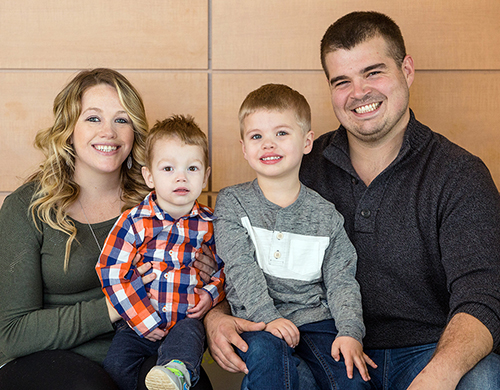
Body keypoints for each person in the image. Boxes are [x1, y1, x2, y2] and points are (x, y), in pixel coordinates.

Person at [202, 11, 500, 390]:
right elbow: (241, 256)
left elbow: (484, 295)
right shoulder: (298, 167)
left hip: (425, 352)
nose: (359, 93)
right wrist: (217, 316)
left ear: (406, 69)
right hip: (318, 344)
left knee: (485, 377)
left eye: (373, 72)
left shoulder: (458, 175)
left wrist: (438, 376)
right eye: (342, 80)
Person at [0, 68, 213, 390]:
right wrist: (116, 305)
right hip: (50, 357)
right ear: (68, 128)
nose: (109, 132)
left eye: (122, 119)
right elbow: (11, 334)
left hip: (144, 345)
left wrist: (209, 283)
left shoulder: (163, 200)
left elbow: (211, 275)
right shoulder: (29, 207)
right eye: (93, 118)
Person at [213, 83, 376, 390]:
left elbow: (342, 280)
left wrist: (350, 332)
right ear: (244, 148)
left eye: (282, 133)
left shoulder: (326, 215)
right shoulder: (234, 203)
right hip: (257, 322)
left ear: (306, 141)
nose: (268, 144)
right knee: (268, 358)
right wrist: (268, 317)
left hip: (316, 320)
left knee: (353, 378)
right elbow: (239, 268)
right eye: (256, 136)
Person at [96, 115, 225, 390]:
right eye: (168, 169)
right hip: (138, 321)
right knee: (116, 367)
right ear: (149, 176)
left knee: (185, 348)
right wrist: (142, 319)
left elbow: (229, 268)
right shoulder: (134, 221)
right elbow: (110, 271)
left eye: (192, 168)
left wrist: (210, 294)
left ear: (205, 176)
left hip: (184, 320)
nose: (181, 177)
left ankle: (176, 376)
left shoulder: (211, 224)